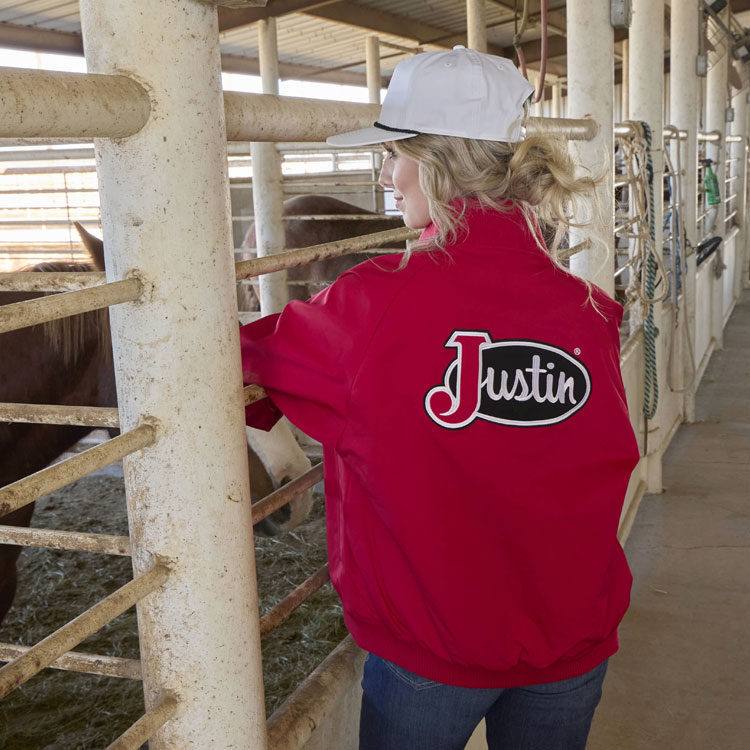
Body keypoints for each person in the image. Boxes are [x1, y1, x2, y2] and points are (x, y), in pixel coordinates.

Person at [240, 46, 639, 750]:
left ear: (438, 162)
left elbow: (234, 366)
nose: (388, 176)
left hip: (433, 656)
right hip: (573, 643)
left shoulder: (369, 308)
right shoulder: (588, 311)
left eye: (396, 154)